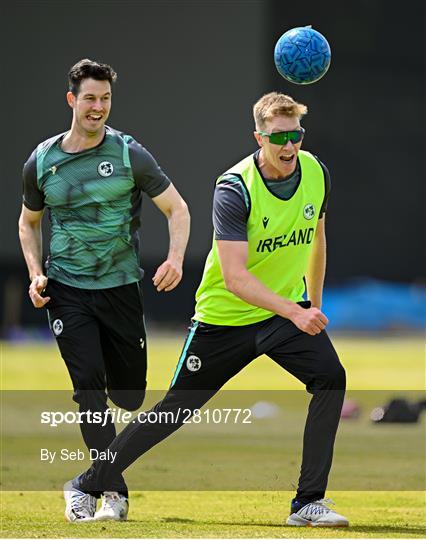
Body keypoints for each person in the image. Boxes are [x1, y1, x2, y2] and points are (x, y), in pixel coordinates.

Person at [63, 91, 348, 527]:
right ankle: (85, 484)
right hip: (224, 319)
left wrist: (313, 305)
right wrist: (296, 312)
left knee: (330, 378)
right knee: (172, 412)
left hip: (283, 312)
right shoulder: (233, 188)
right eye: (279, 137)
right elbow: (235, 278)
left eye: (296, 135)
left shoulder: (316, 173)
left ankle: (308, 503)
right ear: (259, 138)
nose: (289, 146)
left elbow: (317, 241)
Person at [18, 58, 190, 522]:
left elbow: (177, 210)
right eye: (90, 98)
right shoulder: (43, 161)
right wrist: (36, 273)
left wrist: (174, 259)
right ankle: (106, 491)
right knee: (89, 387)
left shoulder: (130, 153)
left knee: (131, 396)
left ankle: (101, 480)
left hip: (120, 290)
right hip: (67, 289)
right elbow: (28, 223)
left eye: (106, 99)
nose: (98, 107)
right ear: (72, 100)